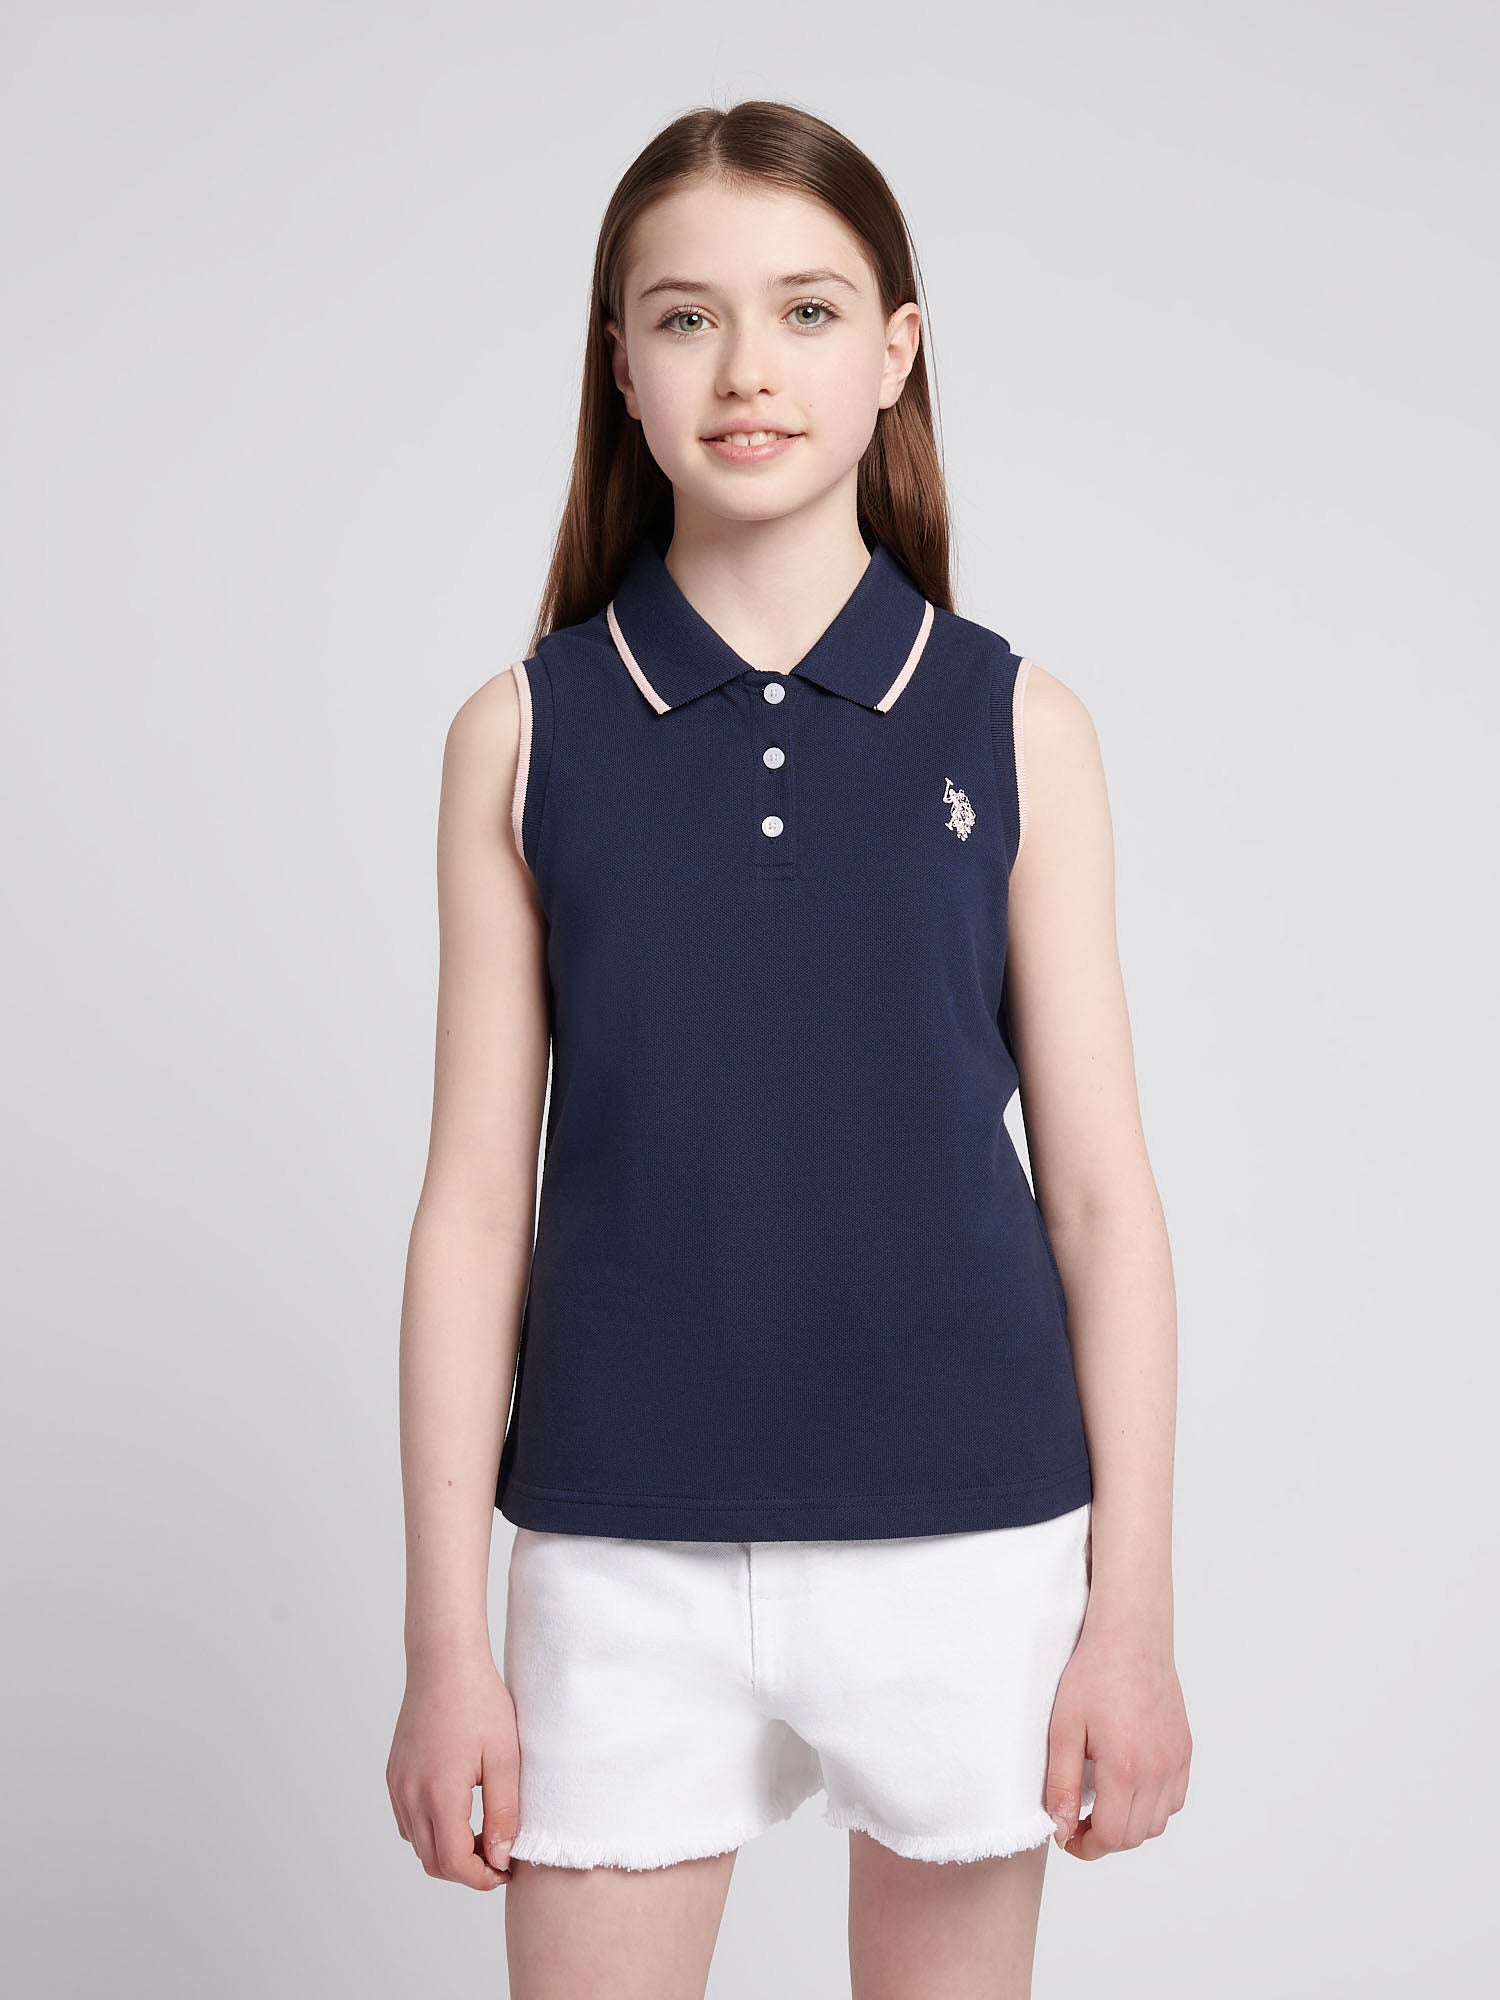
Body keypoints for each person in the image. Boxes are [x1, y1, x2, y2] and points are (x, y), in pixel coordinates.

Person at [386, 98, 1192, 2000]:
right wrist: (444, 1645)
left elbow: (1100, 1200)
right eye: (686, 317)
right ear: (622, 365)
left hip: (971, 1540)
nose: (747, 367)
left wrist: (1132, 1619)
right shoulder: (523, 734)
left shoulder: (1019, 726)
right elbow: (472, 1214)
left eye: (808, 311)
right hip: (617, 1555)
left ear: (897, 349)